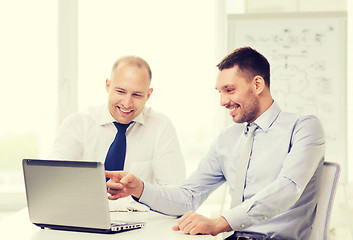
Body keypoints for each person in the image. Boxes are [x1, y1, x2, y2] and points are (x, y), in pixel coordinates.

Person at [105, 47, 325, 240]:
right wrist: (140, 189)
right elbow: (188, 197)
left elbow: (288, 188)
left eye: (229, 90)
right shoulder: (227, 139)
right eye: (220, 92)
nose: (223, 101)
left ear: (257, 84)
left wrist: (219, 223)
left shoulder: (304, 128)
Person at [49, 56, 186, 209]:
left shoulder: (161, 127)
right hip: (84, 217)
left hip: (140, 224)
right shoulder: (78, 124)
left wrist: (140, 189)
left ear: (148, 94)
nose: (127, 103)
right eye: (121, 91)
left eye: (137, 95)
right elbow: (54, 180)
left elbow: (177, 198)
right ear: (108, 86)